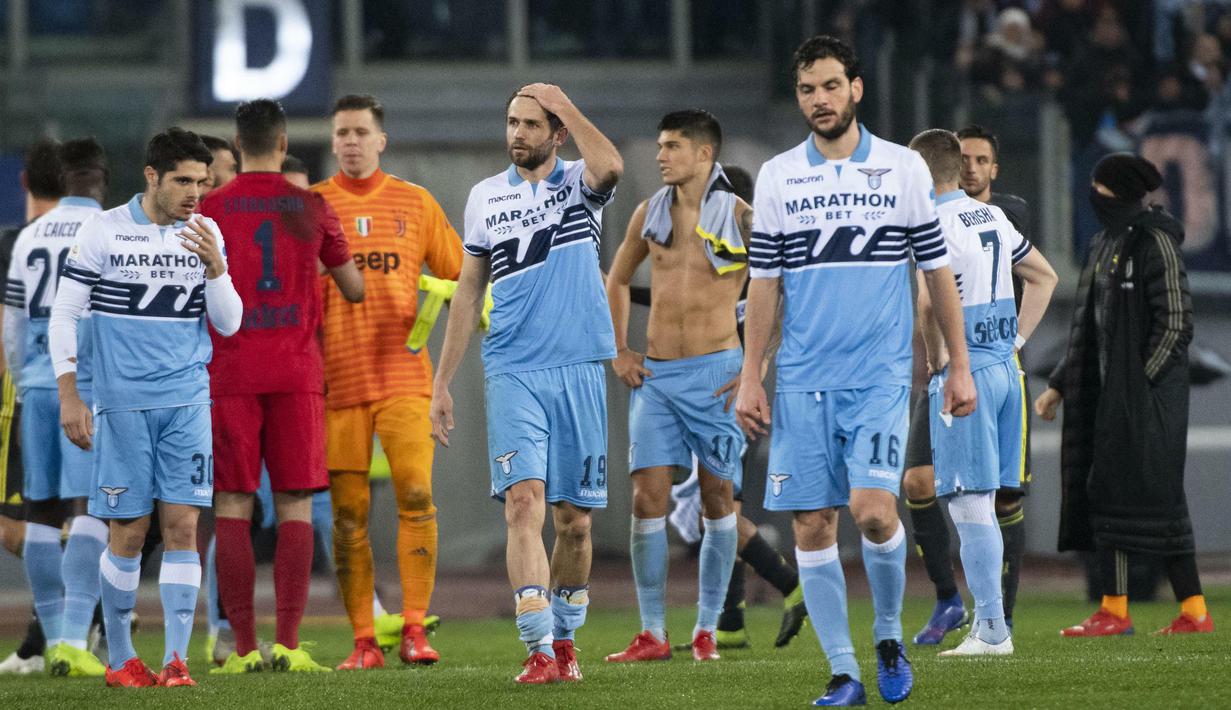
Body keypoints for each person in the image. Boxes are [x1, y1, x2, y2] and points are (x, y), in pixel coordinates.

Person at [734, 35, 976, 706]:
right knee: (812, 526)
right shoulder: (780, 175)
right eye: (807, 89)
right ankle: (844, 672)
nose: (819, 99)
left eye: (831, 86)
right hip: (802, 380)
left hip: (878, 376)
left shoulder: (902, 168)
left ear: (856, 89)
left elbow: (937, 273)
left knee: (871, 513)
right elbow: (764, 284)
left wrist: (959, 366)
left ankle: (889, 635)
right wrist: (751, 375)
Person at [430, 83, 622, 684]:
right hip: (512, 368)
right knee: (522, 504)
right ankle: (538, 648)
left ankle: (565, 640)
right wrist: (442, 381)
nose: (517, 133)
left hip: (579, 365)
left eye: (532, 124)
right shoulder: (485, 196)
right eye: (512, 122)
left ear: (557, 132)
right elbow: (469, 291)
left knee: (574, 523)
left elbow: (613, 166)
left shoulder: (580, 183)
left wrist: (565, 104)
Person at [50, 127, 243, 687]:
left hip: (187, 403)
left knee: (182, 528)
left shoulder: (206, 233)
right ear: (152, 176)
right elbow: (65, 314)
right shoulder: (104, 230)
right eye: (183, 181)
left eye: (202, 182)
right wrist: (70, 394)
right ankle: (121, 659)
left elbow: (229, 323)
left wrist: (216, 269)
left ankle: (177, 661)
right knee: (129, 535)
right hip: (122, 407)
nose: (194, 194)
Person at [199, 99, 363, 674]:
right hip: (296, 371)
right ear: (284, 141)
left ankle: (243, 647)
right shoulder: (312, 206)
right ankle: (290, 645)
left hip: (231, 371)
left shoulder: (211, 207)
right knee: (296, 503)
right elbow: (354, 288)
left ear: (237, 145)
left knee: (232, 503)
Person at [1036, 152, 1214, 637]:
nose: (1092, 193)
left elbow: (1176, 324)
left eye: (1098, 185)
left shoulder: (1155, 242)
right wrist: (1058, 385)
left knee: (1134, 496)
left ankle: (1126, 611)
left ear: (1115, 190)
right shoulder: (1103, 243)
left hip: (1147, 401)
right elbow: (1088, 330)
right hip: (1107, 399)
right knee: (1139, 499)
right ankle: (1183, 612)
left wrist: (1139, 385)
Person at [312, 94, 461, 669]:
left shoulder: (415, 202)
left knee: (417, 495)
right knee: (348, 516)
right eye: (342, 132)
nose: (350, 141)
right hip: (337, 382)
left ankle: (416, 628)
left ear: (381, 140)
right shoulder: (312, 206)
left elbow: (462, 274)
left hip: (404, 375)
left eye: (360, 132)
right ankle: (364, 642)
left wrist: (450, 294)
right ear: (332, 141)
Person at [603, 109, 745, 664]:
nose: (660, 156)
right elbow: (616, 279)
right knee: (647, 498)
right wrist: (619, 349)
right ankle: (653, 632)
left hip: (717, 376)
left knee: (717, 498)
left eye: (672, 146)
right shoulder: (648, 212)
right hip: (658, 377)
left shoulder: (742, 216)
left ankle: (707, 628)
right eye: (660, 146)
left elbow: (778, 288)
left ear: (704, 153)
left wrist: (754, 366)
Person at [908, 129, 1057, 657]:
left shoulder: (932, 223)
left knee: (969, 503)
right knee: (987, 502)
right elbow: (1044, 277)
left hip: (964, 371)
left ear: (920, 172)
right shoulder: (991, 215)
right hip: (1004, 370)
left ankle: (991, 629)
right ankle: (992, 625)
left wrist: (937, 360)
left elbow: (929, 304)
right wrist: (1015, 341)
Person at [652, 165, 807, 651]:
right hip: (718, 394)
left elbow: (778, 313)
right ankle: (732, 621)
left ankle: (792, 586)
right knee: (719, 510)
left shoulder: (752, 262)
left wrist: (751, 371)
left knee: (717, 512)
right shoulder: (725, 261)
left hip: (728, 398)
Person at [3, 137, 111, 678]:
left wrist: (24, 381)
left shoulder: (30, 235)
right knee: (89, 510)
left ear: (64, 178)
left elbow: (14, 325)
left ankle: (50, 642)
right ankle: (71, 637)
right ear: (102, 178)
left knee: (41, 513)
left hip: (38, 387)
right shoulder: (110, 229)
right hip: (86, 388)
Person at [0, 138, 63, 675]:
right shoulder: (86, 236)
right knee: (33, 525)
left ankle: (49, 637)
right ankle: (74, 619)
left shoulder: (13, 243)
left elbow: (6, 329)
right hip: (57, 390)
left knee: (25, 525)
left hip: (26, 394)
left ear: (24, 181)